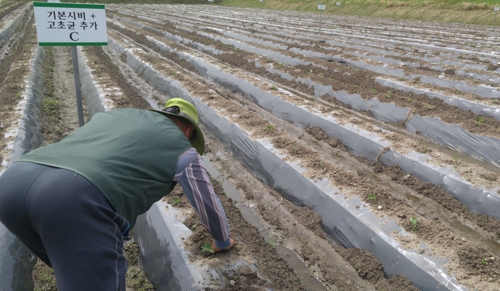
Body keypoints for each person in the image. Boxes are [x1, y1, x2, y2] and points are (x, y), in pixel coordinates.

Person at [0, 98, 235, 291]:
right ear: (189, 130)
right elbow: (207, 202)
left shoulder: (116, 116)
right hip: (74, 199)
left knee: (75, 270)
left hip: (13, 183)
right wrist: (222, 240)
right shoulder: (183, 148)